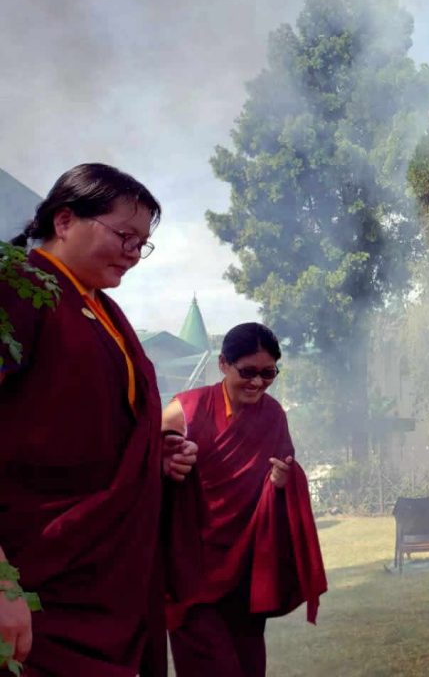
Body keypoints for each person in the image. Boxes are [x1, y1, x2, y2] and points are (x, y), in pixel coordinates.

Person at [0, 162, 197, 676]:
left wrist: (151, 453)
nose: (134, 254)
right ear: (64, 221)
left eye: (143, 244)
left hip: (108, 582)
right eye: (124, 236)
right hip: (38, 577)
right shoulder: (20, 287)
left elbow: (80, 427)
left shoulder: (103, 310)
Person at [162, 322, 326, 677]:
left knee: (250, 667)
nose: (257, 382)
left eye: (268, 373)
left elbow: (282, 474)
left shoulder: (273, 414)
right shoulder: (186, 410)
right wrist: (166, 460)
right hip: (192, 571)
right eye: (247, 371)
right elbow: (141, 460)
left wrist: (283, 481)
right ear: (223, 364)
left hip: (245, 571)